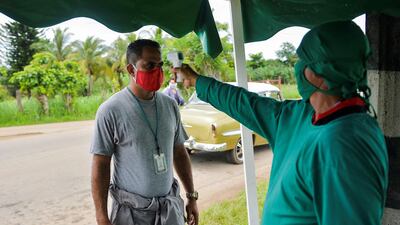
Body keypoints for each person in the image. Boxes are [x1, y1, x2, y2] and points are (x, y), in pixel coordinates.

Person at [176, 21, 388, 225]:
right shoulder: (299, 116)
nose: (298, 68)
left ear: (320, 73)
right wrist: (197, 81)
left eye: (303, 60)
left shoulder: (343, 146)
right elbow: (245, 103)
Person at [90, 39, 199, 225]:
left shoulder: (170, 105)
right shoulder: (111, 110)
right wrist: (101, 216)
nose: (157, 71)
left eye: (160, 65)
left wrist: (191, 196)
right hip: (131, 215)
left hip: (169, 210)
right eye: (149, 65)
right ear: (131, 70)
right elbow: (100, 165)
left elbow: (179, 152)